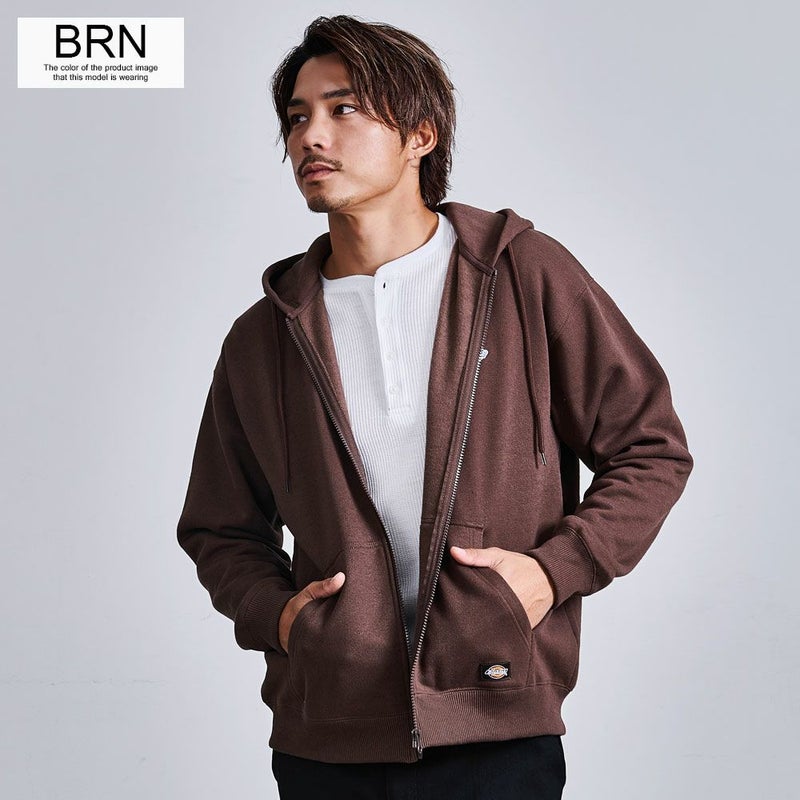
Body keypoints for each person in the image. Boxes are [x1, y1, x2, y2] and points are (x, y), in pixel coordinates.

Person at [177, 14, 694, 800]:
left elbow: (651, 446)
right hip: (327, 740)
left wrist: (552, 573)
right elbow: (219, 525)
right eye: (296, 117)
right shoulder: (267, 335)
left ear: (420, 134)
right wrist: (281, 618)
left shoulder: (521, 276)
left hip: (496, 726)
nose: (311, 135)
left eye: (344, 109)